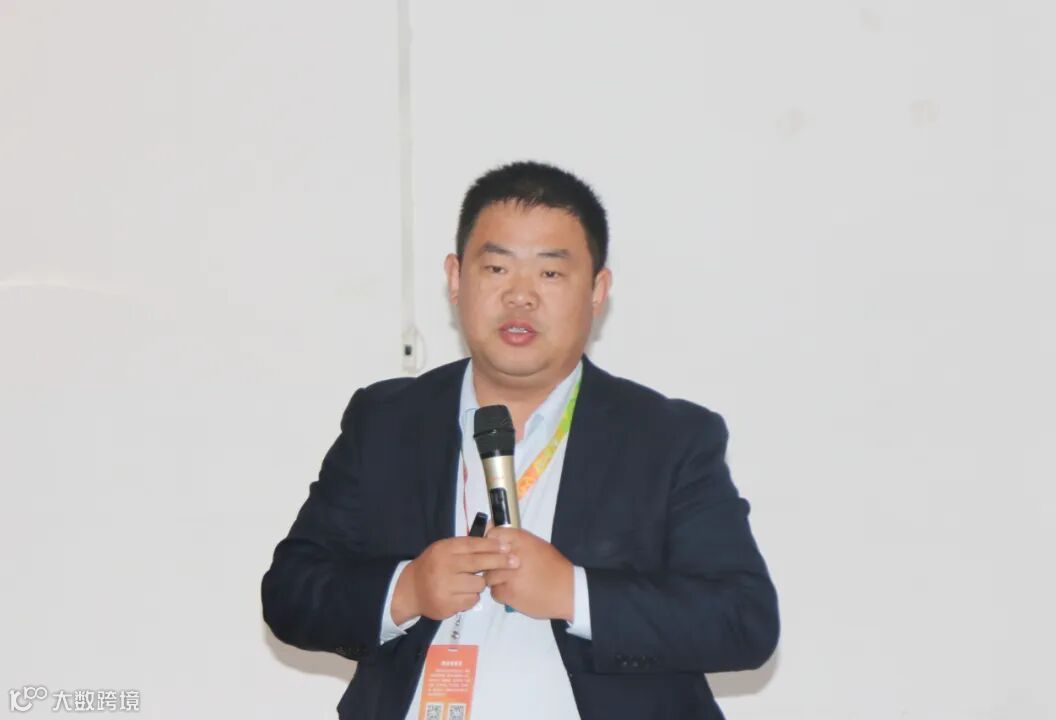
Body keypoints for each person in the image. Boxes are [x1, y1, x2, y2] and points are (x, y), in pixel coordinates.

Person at [261, 161, 779, 720]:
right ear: (456, 278)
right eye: (496, 268)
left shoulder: (667, 437)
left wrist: (573, 593)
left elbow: (742, 620)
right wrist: (406, 590)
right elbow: (291, 594)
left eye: (550, 273)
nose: (520, 296)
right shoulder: (386, 420)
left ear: (597, 290)